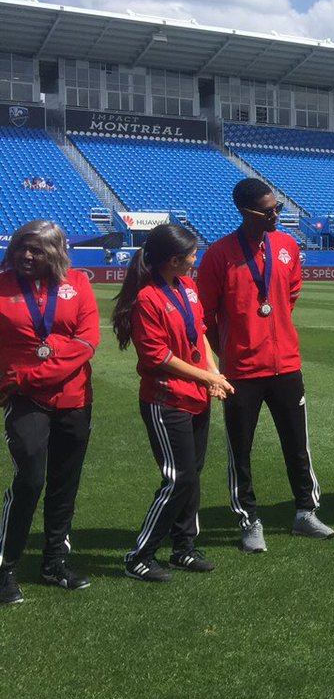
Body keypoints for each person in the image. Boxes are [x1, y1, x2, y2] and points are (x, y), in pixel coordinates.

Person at [196, 177, 333, 552]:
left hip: (286, 365)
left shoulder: (287, 246)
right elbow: (204, 315)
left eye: (278, 208)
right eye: (269, 210)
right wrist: (220, 359)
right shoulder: (219, 255)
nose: (277, 215)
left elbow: (290, 295)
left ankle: (306, 511)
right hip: (241, 371)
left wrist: (273, 333)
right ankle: (248, 520)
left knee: (297, 444)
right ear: (245, 212)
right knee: (240, 451)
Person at [113, 223, 234, 582]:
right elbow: (157, 357)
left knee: (191, 477)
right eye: (191, 255)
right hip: (166, 402)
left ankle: (183, 548)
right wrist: (207, 377)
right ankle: (140, 555)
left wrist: (213, 373)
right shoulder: (147, 299)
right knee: (177, 479)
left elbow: (200, 337)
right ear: (172, 260)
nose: (196, 260)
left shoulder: (188, 287)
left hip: (196, 396)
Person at [0, 220, 99, 604]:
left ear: (55, 253)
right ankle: (6, 568)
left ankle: (54, 562)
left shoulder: (79, 283)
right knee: (30, 479)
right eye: (22, 247)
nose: (26, 255)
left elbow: (87, 341)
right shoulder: (3, 283)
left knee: (64, 482)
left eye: (37, 250)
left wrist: (30, 376)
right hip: (25, 400)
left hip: (73, 397)